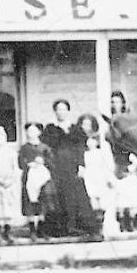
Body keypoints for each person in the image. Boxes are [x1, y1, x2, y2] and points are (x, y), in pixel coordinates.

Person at [40, 99, 99, 238]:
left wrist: (81, 165)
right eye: (58, 109)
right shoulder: (50, 129)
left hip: (72, 166)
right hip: (56, 166)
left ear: (68, 111)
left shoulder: (75, 129)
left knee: (76, 195)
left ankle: (76, 226)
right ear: (55, 112)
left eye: (64, 109)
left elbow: (80, 148)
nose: (61, 112)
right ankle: (60, 229)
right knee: (58, 195)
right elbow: (46, 148)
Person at [78, 114, 118, 237]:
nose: (90, 143)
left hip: (99, 176)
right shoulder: (84, 154)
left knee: (102, 201)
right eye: (88, 141)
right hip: (89, 177)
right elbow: (82, 166)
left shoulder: (100, 153)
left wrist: (108, 179)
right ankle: (95, 227)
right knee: (92, 200)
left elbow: (105, 167)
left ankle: (102, 226)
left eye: (93, 140)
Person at [17, 122, 51, 238]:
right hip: (29, 178)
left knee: (42, 203)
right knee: (30, 203)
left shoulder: (44, 147)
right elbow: (20, 163)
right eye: (28, 131)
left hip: (42, 178)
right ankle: (32, 230)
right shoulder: (24, 148)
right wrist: (28, 164)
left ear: (39, 132)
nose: (31, 133)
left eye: (33, 131)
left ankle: (41, 229)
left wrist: (43, 162)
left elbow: (51, 161)